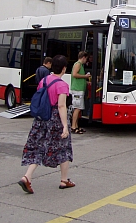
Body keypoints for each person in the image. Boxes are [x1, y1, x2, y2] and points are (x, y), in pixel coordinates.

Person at [18, 55, 74, 194]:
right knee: (63, 148)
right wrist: (65, 126)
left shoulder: (44, 80)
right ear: (64, 68)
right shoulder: (62, 85)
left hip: (41, 117)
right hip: (55, 118)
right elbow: (61, 106)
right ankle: (64, 180)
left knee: (38, 147)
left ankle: (27, 176)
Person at [71, 51, 91, 134]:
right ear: (83, 57)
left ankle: (76, 126)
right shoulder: (78, 64)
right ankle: (73, 126)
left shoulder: (79, 65)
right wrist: (85, 76)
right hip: (77, 90)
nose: (86, 61)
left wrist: (86, 82)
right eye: (86, 59)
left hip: (79, 89)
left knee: (78, 108)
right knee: (77, 108)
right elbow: (74, 74)